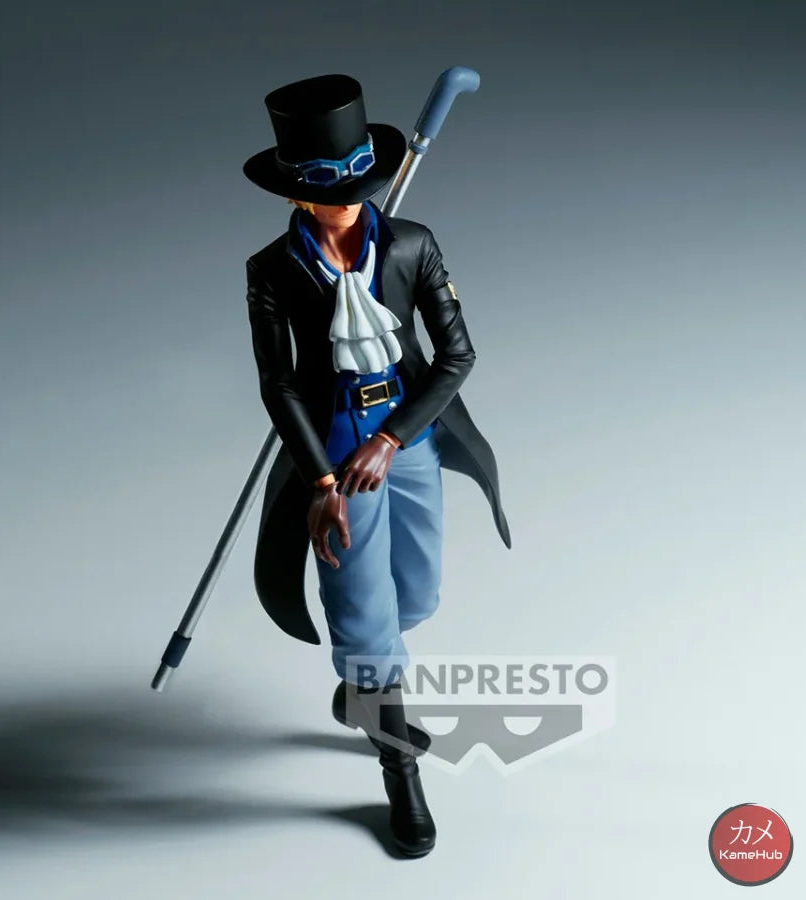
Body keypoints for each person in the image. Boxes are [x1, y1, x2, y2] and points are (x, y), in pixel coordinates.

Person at [243, 73, 510, 857]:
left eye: (355, 179)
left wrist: (390, 439)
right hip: (333, 448)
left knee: (414, 596)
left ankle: (364, 688)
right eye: (326, 186)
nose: (345, 199)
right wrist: (322, 480)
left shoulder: (412, 244)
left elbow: (457, 356)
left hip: (408, 434)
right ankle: (400, 774)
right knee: (365, 620)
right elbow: (278, 381)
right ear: (296, 189)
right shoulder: (272, 269)